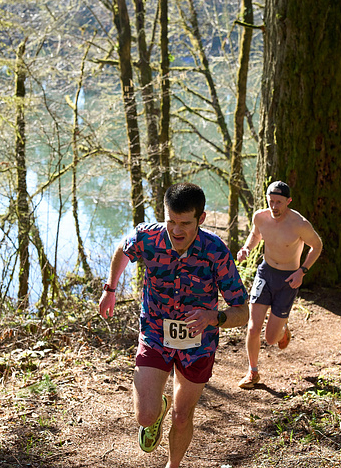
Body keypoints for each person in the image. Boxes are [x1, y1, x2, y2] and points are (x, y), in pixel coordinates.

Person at [99, 182, 249, 467]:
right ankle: (156, 412)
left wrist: (213, 317)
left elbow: (243, 312)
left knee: (182, 416)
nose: (177, 231)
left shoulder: (215, 251)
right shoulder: (147, 238)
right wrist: (110, 289)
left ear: (201, 219)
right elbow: (122, 248)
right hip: (156, 332)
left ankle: (174, 465)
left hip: (198, 343)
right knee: (145, 415)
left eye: (185, 223)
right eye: (171, 221)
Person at [236, 181, 322, 389]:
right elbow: (256, 234)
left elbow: (317, 246)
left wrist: (302, 271)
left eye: (279, 202)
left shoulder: (299, 224)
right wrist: (247, 248)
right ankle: (252, 372)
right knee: (253, 327)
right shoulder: (260, 217)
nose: (274, 206)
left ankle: (282, 330)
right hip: (265, 274)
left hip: (288, 279)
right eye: (271, 201)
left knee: (271, 338)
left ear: (288, 201)